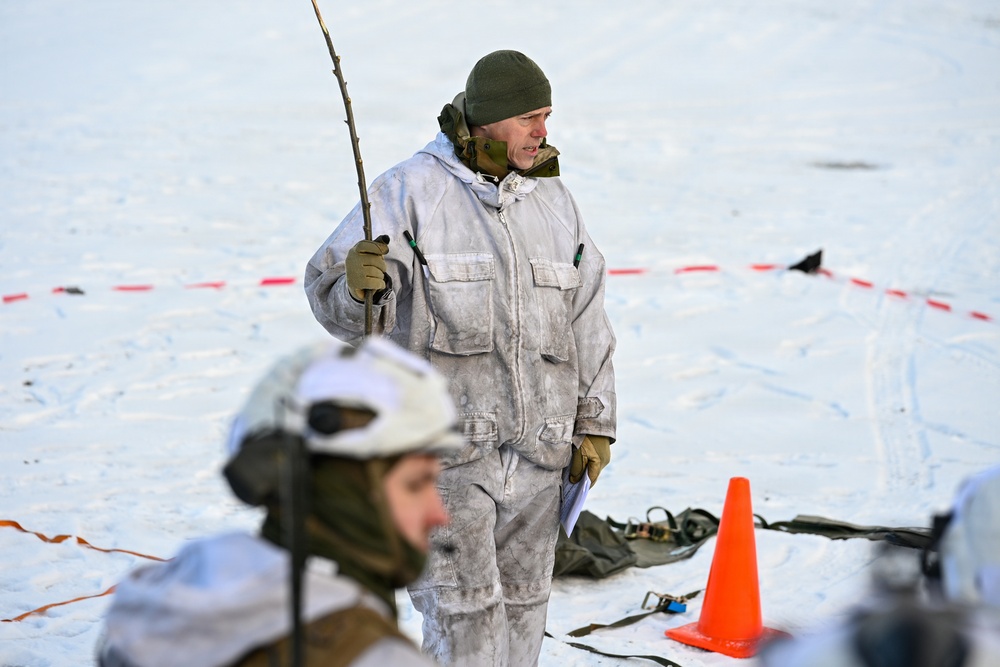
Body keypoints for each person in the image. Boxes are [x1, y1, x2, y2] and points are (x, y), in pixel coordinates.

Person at [304, 50, 617, 665]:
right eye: (529, 117)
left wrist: (595, 423)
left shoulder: (556, 205)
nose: (542, 132)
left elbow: (588, 319)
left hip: (540, 460)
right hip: (443, 463)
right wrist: (355, 286)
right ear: (488, 120)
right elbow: (345, 308)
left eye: (547, 116)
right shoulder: (410, 192)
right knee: (465, 624)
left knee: (524, 619)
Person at [96, 336, 462, 667]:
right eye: (416, 484)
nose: (439, 514)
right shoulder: (370, 656)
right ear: (337, 489)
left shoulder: (158, 609)